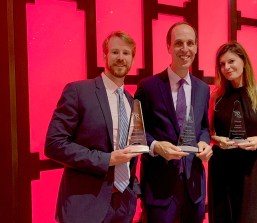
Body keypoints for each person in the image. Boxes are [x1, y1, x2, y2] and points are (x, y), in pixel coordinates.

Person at [45, 31, 141, 223]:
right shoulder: (79, 91)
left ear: (132, 59)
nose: (120, 58)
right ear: (105, 55)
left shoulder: (132, 102)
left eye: (126, 53)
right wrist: (106, 159)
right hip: (85, 206)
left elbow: (132, 154)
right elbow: (54, 144)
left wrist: (133, 190)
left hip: (122, 206)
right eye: (115, 52)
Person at [134, 21, 213, 223]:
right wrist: (155, 146)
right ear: (168, 47)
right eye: (179, 43)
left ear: (196, 47)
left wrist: (204, 141)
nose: (185, 49)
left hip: (193, 186)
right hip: (159, 186)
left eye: (190, 43)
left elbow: (203, 126)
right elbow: (136, 132)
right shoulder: (148, 86)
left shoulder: (203, 89)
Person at [208, 41, 257, 223]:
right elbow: (208, 131)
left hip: (254, 168)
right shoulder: (216, 97)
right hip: (222, 167)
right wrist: (216, 140)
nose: (226, 67)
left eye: (231, 61)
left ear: (244, 62)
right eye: (222, 64)